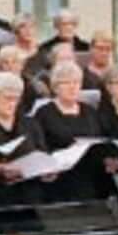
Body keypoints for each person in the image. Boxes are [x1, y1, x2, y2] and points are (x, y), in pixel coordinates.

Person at [35, 60, 104, 200]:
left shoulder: (90, 111)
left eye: (76, 82)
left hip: (89, 177)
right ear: (55, 87)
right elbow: (38, 146)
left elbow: (99, 138)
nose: (72, 87)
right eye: (66, 83)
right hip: (58, 180)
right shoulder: (44, 113)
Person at [0, 71, 46, 206]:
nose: (12, 103)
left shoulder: (30, 124)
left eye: (16, 99)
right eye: (7, 98)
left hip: (29, 196)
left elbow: (42, 153)